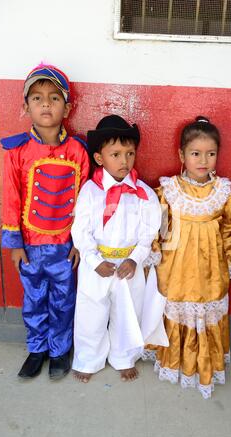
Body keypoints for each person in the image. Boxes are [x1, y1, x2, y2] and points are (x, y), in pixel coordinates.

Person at [143, 116, 231, 398]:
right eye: (196, 153)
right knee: (177, 304)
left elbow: (230, 227)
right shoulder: (170, 190)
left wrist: (223, 256)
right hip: (178, 266)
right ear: (182, 155)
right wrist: (156, 255)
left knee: (208, 306)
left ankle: (205, 363)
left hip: (210, 268)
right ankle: (174, 360)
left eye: (211, 154)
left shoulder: (223, 191)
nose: (204, 160)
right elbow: (159, 227)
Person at [1, 64, 90, 380]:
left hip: (65, 246)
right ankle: (37, 348)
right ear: (26, 106)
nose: (45, 104)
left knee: (64, 301)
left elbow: (86, 202)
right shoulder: (18, 151)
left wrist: (80, 242)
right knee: (34, 300)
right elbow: (11, 197)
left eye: (54, 98)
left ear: (67, 107)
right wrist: (14, 245)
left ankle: (59, 350)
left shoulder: (79, 151)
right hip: (30, 246)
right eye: (37, 98)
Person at [71, 114, 162, 382]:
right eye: (116, 154)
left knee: (127, 313)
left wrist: (135, 259)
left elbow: (148, 234)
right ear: (100, 158)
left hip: (128, 268)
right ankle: (88, 359)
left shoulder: (144, 194)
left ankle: (123, 356)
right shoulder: (90, 191)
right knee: (91, 313)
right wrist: (92, 259)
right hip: (96, 265)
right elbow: (81, 229)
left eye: (130, 153)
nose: (124, 161)